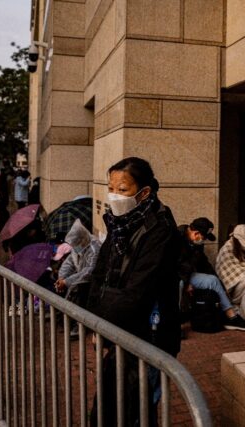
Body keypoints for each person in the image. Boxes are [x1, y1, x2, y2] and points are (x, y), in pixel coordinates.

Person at [82, 157, 181, 426]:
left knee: (136, 410)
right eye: (110, 188)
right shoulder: (118, 222)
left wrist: (101, 323)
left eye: (122, 190)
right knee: (108, 407)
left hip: (150, 335)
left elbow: (138, 290)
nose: (114, 196)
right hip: (120, 330)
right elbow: (101, 272)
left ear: (144, 192)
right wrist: (92, 320)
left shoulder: (160, 230)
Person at [178, 217, 245, 331]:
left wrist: (220, 285)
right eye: (204, 238)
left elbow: (204, 264)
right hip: (173, 276)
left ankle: (231, 317)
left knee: (212, 280)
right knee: (179, 284)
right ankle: (174, 324)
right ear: (196, 233)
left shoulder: (197, 244)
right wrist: (187, 282)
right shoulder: (175, 238)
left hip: (187, 275)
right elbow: (171, 265)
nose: (204, 241)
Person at [215, 224, 245, 305]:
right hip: (232, 282)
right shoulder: (227, 248)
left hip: (244, 273)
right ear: (236, 239)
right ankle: (236, 303)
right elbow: (232, 267)